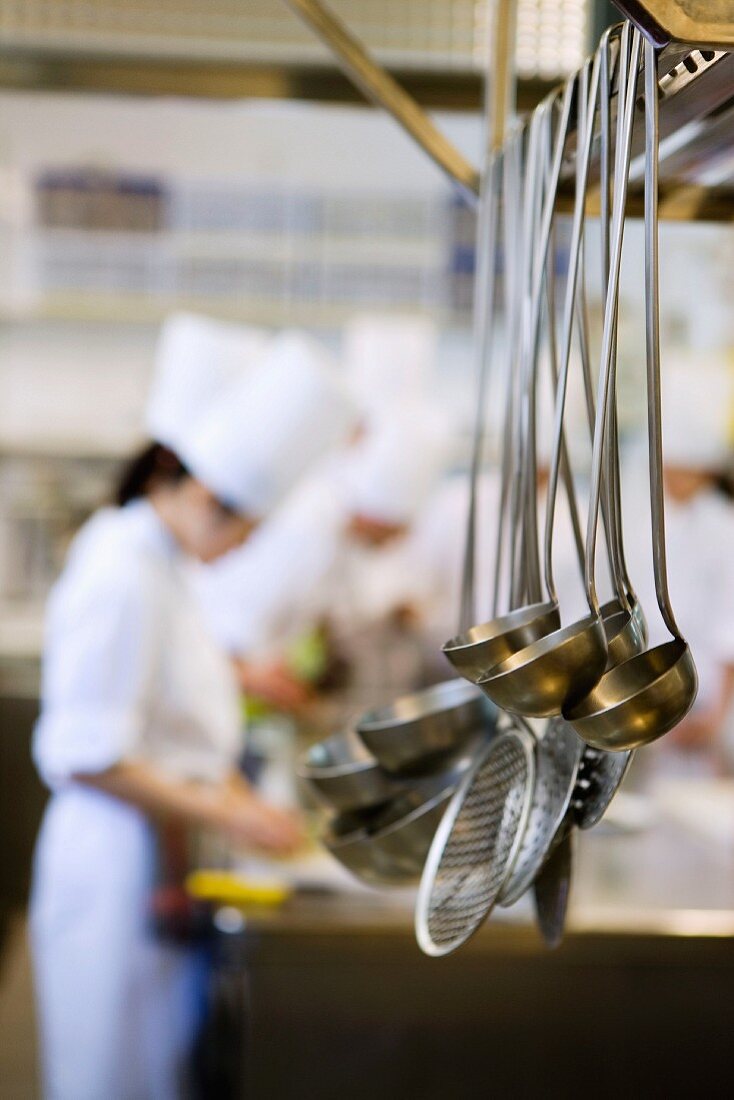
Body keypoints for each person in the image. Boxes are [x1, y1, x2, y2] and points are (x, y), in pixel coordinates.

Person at [29, 316, 356, 1100]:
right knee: (108, 1078)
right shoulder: (122, 570)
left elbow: (174, 733)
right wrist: (232, 815)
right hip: (110, 874)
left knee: (149, 1073)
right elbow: (88, 754)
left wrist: (231, 798)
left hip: (148, 866)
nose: (246, 549)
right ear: (205, 497)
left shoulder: (163, 569)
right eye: (248, 528)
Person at [624, 358, 734, 768]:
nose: (676, 476)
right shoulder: (641, 518)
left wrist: (715, 716)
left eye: (686, 468)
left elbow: (730, 625)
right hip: (639, 694)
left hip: (702, 702)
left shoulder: (725, 527)